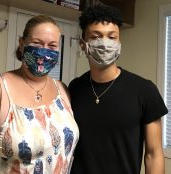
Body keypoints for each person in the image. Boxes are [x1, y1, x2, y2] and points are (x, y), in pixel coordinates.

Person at [0, 14, 79, 174]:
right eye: (37, 43)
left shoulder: (62, 89)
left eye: (52, 46)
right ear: (22, 44)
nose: (44, 51)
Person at [68, 3, 168, 174]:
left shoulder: (144, 90)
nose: (105, 43)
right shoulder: (75, 87)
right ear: (83, 44)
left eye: (112, 37)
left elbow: (153, 154)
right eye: (96, 36)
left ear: (119, 42)